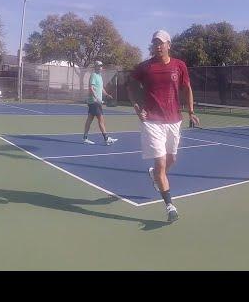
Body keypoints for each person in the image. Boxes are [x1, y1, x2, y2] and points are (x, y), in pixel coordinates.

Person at [127, 30, 200, 223]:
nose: (157, 46)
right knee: (160, 163)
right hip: (152, 121)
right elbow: (131, 85)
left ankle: (155, 175)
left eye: (161, 43)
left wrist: (191, 111)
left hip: (174, 120)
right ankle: (170, 206)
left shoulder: (179, 66)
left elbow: (187, 88)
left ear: (169, 45)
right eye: (154, 43)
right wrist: (136, 106)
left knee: (171, 159)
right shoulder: (145, 67)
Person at [83, 61, 118, 145]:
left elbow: (101, 88)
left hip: (95, 101)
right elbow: (91, 88)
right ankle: (106, 139)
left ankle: (85, 138)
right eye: (99, 66)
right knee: (101, 120)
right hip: (94, 102)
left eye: (101, 66)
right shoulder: (94, 75)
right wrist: (96, 98)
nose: (100, 67)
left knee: (90, 119)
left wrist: (106, 95)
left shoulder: (99, 76)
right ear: (95, 67)